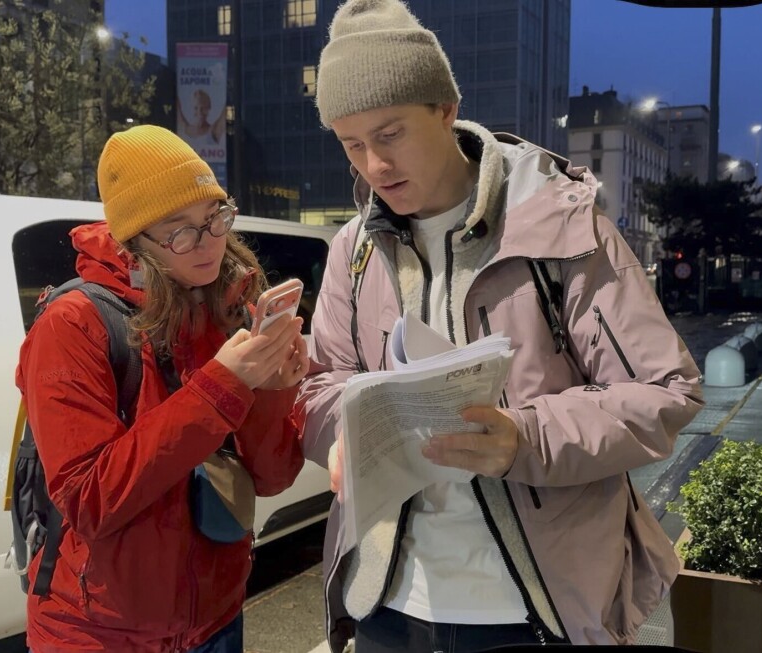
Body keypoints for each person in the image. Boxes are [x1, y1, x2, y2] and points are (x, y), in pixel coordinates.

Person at [296, 1, 705, 651]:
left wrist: (523, 438)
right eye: (352, 144)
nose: (374, 165)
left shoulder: (561, 225)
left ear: (445, 109)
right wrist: (340, 436)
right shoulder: (355, 249)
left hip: (532, 610)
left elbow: (665, 391)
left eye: (390, 133)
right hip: (388, 603)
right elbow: (322, 381)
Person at [16, 125, 308, 652]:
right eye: (180, 232)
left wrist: (273, 390)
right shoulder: (73, 325)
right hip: (98, 635)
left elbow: (273, 478)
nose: (208, 242)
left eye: (215, 218)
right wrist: (221, 388)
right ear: (135, 242)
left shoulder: (227, 308)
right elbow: (89, 501)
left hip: (217, 619)